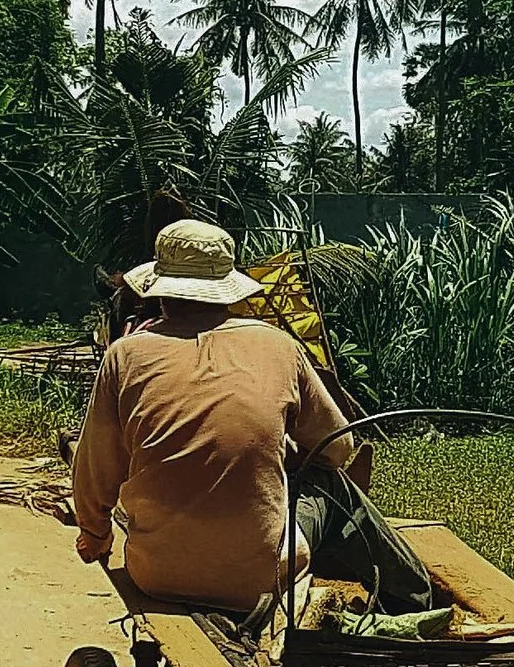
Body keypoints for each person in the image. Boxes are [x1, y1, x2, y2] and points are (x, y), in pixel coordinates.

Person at [69, 219, 435, 616]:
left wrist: (95, 534)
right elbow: (338, 449)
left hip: (156, 574)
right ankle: (413, 600)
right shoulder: (279, 346)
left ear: (159, 288)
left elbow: (95, 467)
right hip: (260, 580)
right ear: (228, 288)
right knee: (330, 483)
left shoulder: (125, 355)